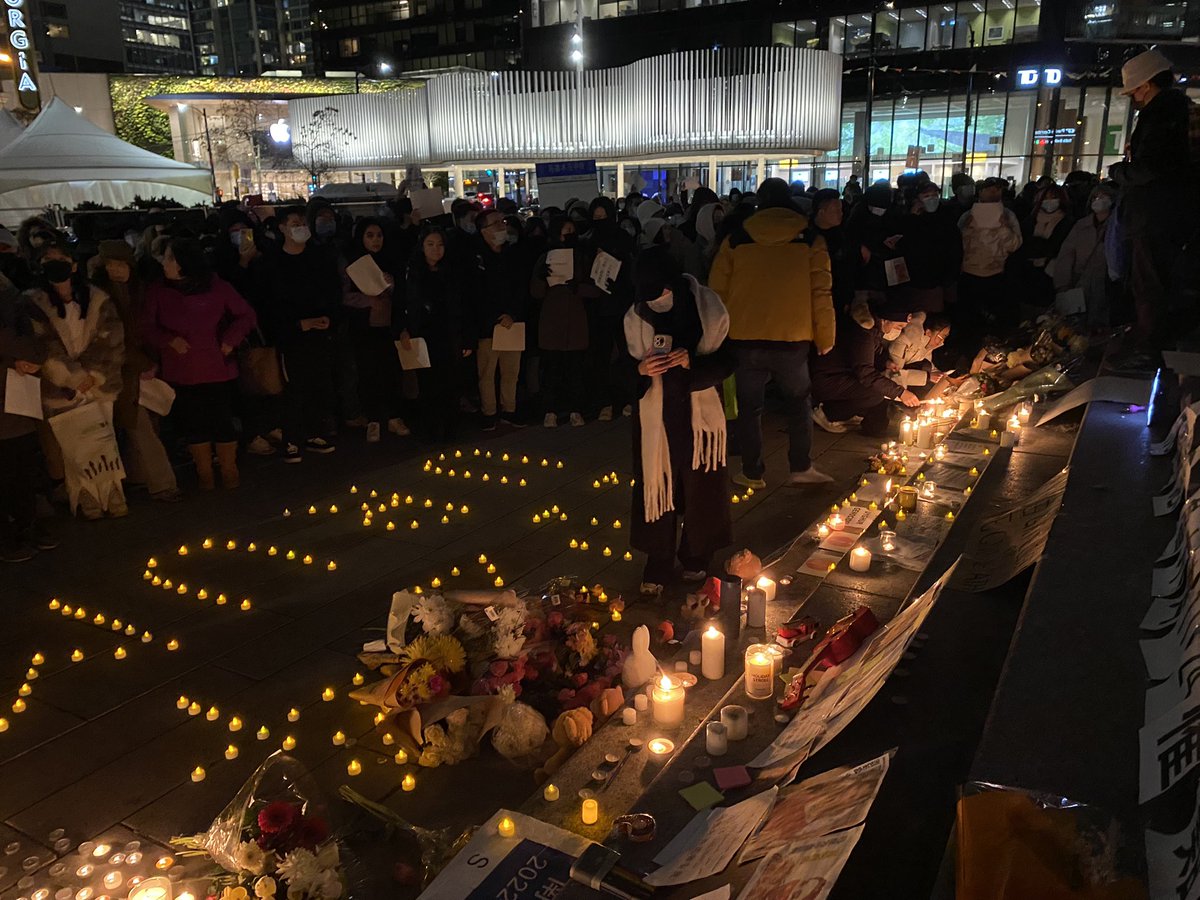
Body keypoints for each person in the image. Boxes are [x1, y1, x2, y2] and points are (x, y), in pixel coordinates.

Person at [708, 177, 835, 489]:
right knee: (799, 402)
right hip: (793, 337)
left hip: (744, 336)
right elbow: (821, 291)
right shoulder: (810, 237)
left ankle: (752, 472)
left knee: (749, 408)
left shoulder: (737, 237)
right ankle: (801, 466)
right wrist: (825, 335)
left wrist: (714, 335)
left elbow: (716, 291)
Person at [625, 247, 734, 586]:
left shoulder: (709, 309)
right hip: (656, 418)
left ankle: (697, 554)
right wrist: (641, 369)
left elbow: (730, 361)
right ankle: (658, 558)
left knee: (702, 485)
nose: (655, 302)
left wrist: (692, 364)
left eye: (660, 294)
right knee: (656, 484)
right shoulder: (635, 316)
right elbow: (615, 371)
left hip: (700, 420)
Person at [144, 238, 257, 490]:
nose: (166, 263)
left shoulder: (216, 287)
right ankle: (204, 473)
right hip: (182, 368)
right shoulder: (158, 291)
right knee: (194, 423)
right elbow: (147, 327)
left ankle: (229, 470)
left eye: (171, 258)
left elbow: (246, 315)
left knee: (222, 420)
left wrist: (231, 339)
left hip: (218, 365)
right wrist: (169, 340)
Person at [28, 240, 127, 519]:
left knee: (103, 440)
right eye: (48, 260)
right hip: (60, 389)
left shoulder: (98, 299)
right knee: (74, 447)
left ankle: (112, 491)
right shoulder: (34, 302)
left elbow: (111, 339)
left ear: (73, 265)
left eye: (60, 259)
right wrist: (73, 377)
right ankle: (85, 496)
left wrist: (93, 375)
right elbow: (43, 344)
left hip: (99, 385)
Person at [1108, 49, 1197, 359]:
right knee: (1160, 284)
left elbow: (1151, 167)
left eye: (1134, 90)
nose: (1134, 97)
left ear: (1146, 85)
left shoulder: (1161, 113)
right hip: (1171, 215)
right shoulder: (1179, 110)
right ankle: (1155, 344)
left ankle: (1149, 350)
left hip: (1154, 216)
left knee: (1150, 286)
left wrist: (1118, 172)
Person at [90, 240, 179, 502]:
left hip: (145, 367)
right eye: (110, 265)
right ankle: (162, 483)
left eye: (120, 264)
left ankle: (138, 476)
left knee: (146, 423)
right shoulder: (101, 297)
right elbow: (112, 339)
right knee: (139, 425)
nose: (116, 270)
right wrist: (142, 363)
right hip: (121, 371)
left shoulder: (141, 291)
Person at [260, 207, 340, 462]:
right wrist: (296, 325)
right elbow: (268, 304)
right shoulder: (272, 263)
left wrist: (329, 318)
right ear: (282, 228)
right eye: (295, 223)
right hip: (290, 337)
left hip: (319, 333)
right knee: (293, 386)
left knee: (319, 382)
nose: (301, 227)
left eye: (303, 222)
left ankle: (315, 431)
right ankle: (291, 437)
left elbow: (332, 291)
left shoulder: (318, 258)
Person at [0, 277, 56, 560]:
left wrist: (28, 358)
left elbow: (39, 340)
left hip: (16, 402)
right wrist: (14, 360)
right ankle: (8, 533)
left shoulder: (12, 297)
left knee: (21, 467)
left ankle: (26, 524)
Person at [341, 217, 410, 443]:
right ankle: (372, 419)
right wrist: (366, 299)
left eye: (379, 235)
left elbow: (402, 297)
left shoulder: (392, 261)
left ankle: (394, 416)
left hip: (388, 326)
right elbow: (344, 296)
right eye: (369, 235)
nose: (375, 240)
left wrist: (392, 286)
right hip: (363, 327)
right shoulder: (352, 263)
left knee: (392, 372)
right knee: (367, 373)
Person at [811, 297, 919, 436]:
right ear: (886, 319)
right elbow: (865, 372)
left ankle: (842, 412)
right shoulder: (863, 333)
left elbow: (863, 356)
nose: (897, 331)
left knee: (878, 388)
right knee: (875, 394)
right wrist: (901, 393)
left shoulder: (872, 329)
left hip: (838, 374)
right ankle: (826, 413)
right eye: (898, 326)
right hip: (826, 378)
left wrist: (885, 363)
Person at [531, 217, 601, 428]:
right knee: (552, 369)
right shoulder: (545, 258)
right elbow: (535, 292)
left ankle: (575, 409)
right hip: (552, 320)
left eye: (571, 230)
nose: (568, 234)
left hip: (576, 319)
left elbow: (597, 288)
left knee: (575, 369)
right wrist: (542, 279)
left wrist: (579, 288)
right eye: (564, 231)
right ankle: (550, 410)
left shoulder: (582, 257)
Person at [402, 226, 467, 441]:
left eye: (440, 245)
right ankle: (430, 428)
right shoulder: (412, 272)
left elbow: (463, 305)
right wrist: (404, 329)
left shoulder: (453, 272)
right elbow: (404, 304)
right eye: (430, 244)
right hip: (423, 334)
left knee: (450, 382)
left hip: (448, 333)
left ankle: (450, 428)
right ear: (421, 247)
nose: (435, 249)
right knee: (427, 383)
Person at [473, 209, 526, 430]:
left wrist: (512, 313)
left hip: (511, 322)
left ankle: (509, 409)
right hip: (487, 324)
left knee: (511, 371)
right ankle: (489, 412)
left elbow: (520, 287)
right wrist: (494, 316)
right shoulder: (475, 257)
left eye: (502, 222)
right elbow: (474, 294)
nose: (501, 227)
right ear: (483, 230)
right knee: (487, 371)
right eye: (495, 223)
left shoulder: (512, 254)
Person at [584, 196, 636, 420]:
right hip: (597, 306)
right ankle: (604, 401)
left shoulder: (622, 239)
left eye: (603, 217)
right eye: (595, 218)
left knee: (627, 354)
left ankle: (629, 398)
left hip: (621, 303)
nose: (600, 221)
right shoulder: (588, 240)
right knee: (600, 356)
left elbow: (632, 268)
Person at [957, 178, 1022, 342]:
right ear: (980, 192)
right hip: (970, 274)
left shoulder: (1008, 215)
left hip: (996, 273)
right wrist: (968, 229)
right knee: (971, 320)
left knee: (995, 319)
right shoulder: (967, 215)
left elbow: (1015, 245)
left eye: (998, 189)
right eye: (990, 189)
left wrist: (1003, 229)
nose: (994, 192)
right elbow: (957, 246)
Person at [1053, 183, 1119, 328]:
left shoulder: (1118, 228)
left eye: (1103, 196)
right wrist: (1062, 284)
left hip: (1106, 286)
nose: (1098, 200)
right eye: (1095, 196)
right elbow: (1067, 254)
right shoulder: (1082, 225)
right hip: (1080, 284)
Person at [899, 182, 962, 313]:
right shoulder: (909, 219)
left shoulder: (946, 218)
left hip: (942, 278)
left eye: (935, 195)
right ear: (918, 199)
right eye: (926, 195)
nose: (932, 199)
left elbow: (955, 248)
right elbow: (905, 244)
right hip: (918, 279)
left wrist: (951, 275)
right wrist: (912, 218)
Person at [1013, 183, 1072, 307]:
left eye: (1053, 197)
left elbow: (1062, 247)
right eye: (1046, 198)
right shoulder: (1030, 220)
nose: (1049, 201)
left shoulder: (1067, 222)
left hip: (1051, 273)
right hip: (1027, 273)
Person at [886, 312, 953, 397]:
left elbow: (928, 365)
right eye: (942, 336)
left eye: (945, 337)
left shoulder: (926, 344)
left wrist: (941, 375)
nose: (942, 341)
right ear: (928, 332)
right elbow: (893, 374)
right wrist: (928, 377)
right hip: (890, 390)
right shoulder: (904, 341)